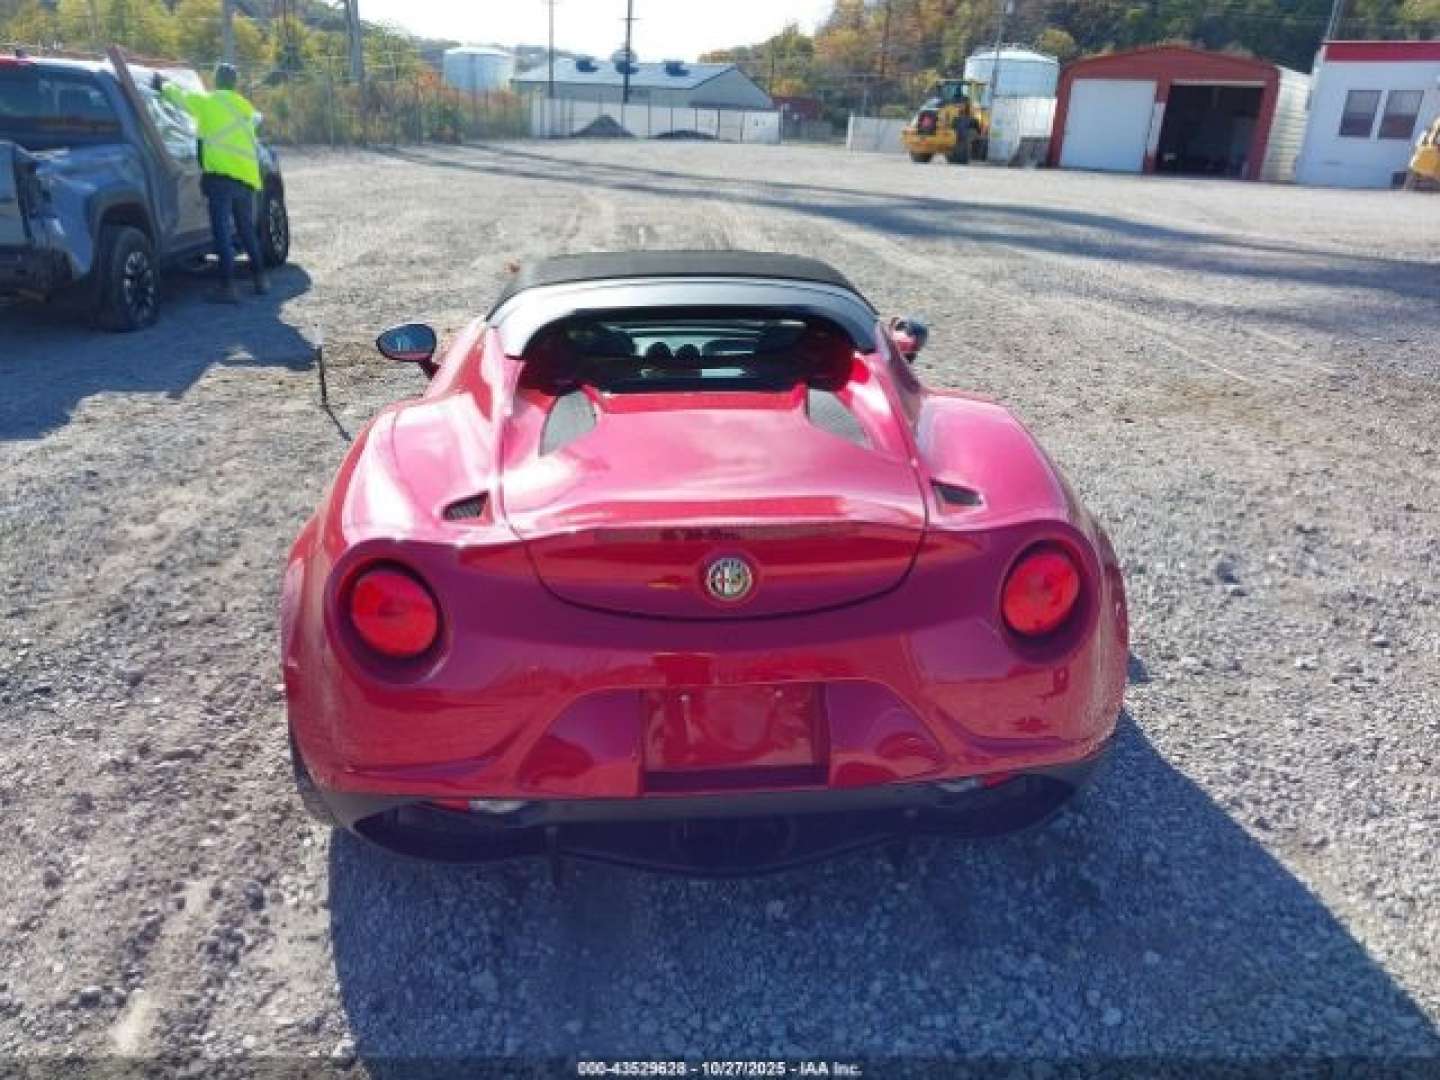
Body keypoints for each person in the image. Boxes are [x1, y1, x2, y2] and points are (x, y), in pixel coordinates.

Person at [152, 64, 268, 303]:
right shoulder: (245, 107)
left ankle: (228, 288)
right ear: (234, 83)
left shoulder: (208, 102)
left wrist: (162, 85)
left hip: (221, 177)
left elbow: (180, 98)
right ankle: (260, 279)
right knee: (246, 230)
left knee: (222, 232)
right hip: (246, 177)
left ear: (216, 80)